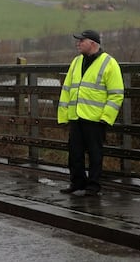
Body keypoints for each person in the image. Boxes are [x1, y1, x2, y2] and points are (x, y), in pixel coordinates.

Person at [57, 29, 124, 197]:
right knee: (75, 153)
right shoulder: (76, 61)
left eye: (81, 41)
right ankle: (77, 182)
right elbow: (67, 89)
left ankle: (93, 186)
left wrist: (106, 117)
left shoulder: (109, 63)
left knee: (95, 154)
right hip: (76, 116)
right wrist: (64, 115)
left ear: (93, 43)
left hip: (96, 118)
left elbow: (116, 93)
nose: (77, 43)